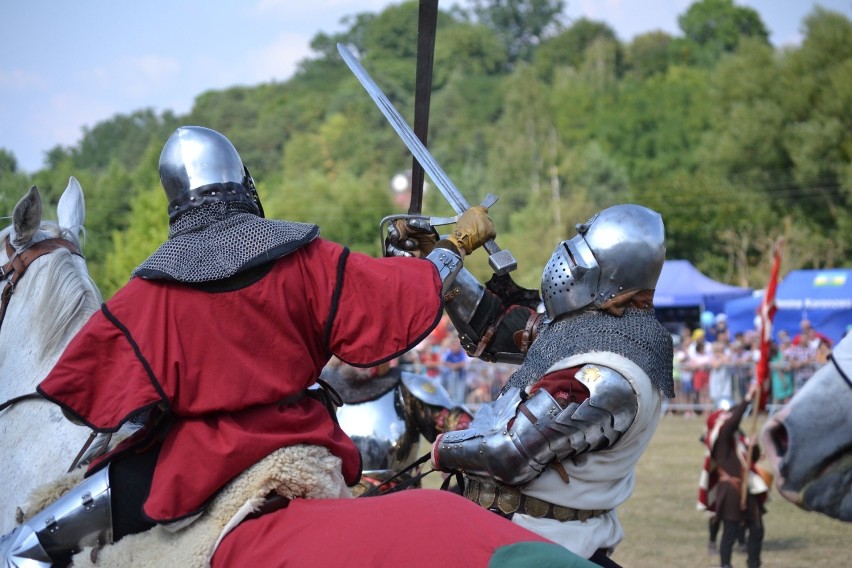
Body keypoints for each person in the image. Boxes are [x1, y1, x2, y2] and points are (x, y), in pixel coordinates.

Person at [0, 126, 500, 565]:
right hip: (303, 442)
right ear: (243, 183)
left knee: (24, 546)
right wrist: (452, 248)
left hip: (194, 468)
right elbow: (395, 294)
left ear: (173, 200)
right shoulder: (307, 258)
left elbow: (84, 392)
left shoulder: (148, 296)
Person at [389, 204, 673, 566]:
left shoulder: (609, 373)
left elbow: (508, 455)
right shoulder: (581, 329)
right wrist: (439, 257)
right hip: (501, 531)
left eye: (577, 247)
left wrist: (444, 446)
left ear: (604, 272)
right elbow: (493, 327)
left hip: (543, 544)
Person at [322, 359, 472, 495]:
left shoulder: (409, 387)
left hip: (397, 499)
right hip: (336, 497)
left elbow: (457, 427)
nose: (360, 356)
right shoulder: (323, 387)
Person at [697, 388, 768, 568]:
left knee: (757, 529)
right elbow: (731, 423)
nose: (730, 417)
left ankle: (753, 564)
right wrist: (747, 399)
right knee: (730, 532)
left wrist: (755, 446)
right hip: (730, 490)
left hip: (746, 487)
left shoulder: (736, 437)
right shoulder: (721, 436)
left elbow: (752, 459)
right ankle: (725, 565)